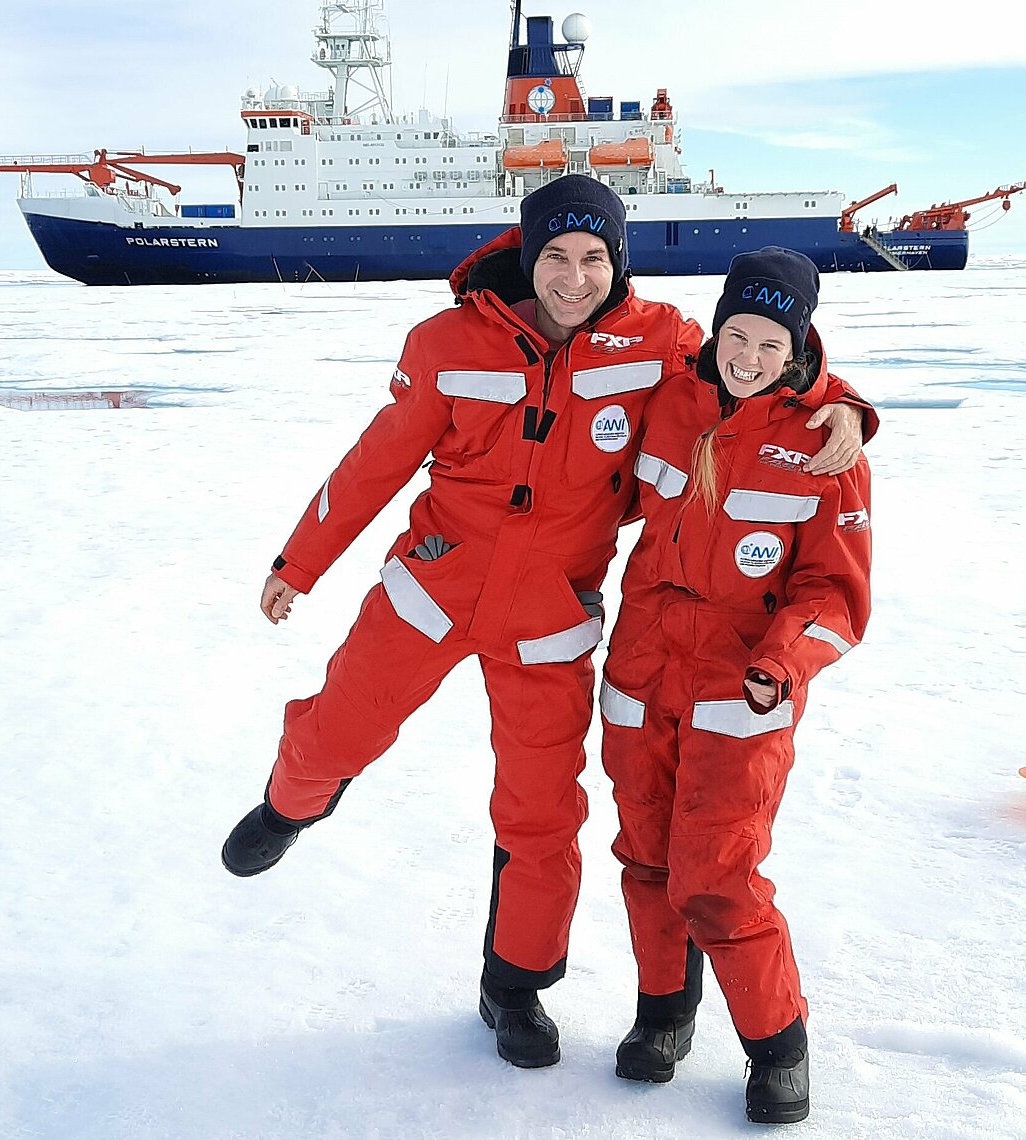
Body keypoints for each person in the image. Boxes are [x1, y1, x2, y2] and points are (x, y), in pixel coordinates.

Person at [221, 176, 870, 1069]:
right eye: (557, 257)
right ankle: (292, 804)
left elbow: (761, 365)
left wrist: (844, 405)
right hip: (431, 592)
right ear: (529, 257)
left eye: (595, 258)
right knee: (336, 731)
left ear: (619, 263)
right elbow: (374, 461)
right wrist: (299, 563)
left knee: (541, 814)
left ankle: (513, 988)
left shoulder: (658, 341)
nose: (574, 278)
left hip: (550, 620)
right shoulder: (447, 342)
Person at [599, 247, 872, 1123]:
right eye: (736, 335)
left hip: (742, 683)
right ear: (716, 329)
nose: (747, 357)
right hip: (645, 665)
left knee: (718, 873)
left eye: (768, 342)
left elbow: (838, 594)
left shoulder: (825, 444)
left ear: (795, 347)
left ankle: (776, 1043)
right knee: (645, 858)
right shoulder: (671, 395)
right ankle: (664, 1015)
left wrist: (781, 664)